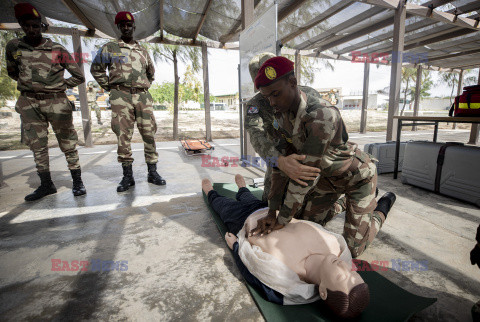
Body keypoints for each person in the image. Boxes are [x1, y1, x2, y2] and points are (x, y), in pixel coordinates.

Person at [251, 56, 396, 258]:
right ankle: (343, 203)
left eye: (276, 94)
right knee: (303, 224)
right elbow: (281, 167)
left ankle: (382, 206)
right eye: (267, 98)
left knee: (352, 250)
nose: (272, 102)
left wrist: (281, 219)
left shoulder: (321, 115)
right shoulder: (282, 115)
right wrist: (272, 211)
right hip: (326, 180)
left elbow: (305, 175)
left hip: (355, 178)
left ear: (292, 83)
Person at [202, 175, 370, 319]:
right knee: (248, 197)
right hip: (269, 210)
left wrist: (237, 247)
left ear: (323, 291)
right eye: (352, 271)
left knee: (221, 204)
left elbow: (253, 274)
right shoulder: (335, 246)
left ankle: (210, 192)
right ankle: (242, 188)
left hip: (242, 221)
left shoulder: (285, 277)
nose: (344, 266)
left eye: (341, 278)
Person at [6, 3, 86, 201]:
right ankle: (46, 184)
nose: (32, 30)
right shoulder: (15, 47)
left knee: (68, 143)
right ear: (21, 26)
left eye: (35, 26)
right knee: (37, 145)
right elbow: (13, 72)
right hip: (30, 103)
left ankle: (77, 181)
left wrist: (58, 85)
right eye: (27, 26)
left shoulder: (57, 48)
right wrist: (32, 87)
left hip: (56, 102)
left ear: (42, 26)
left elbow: (78, 75)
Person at [90, 11, 166, 192]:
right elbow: (96, 69)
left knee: (148, 133)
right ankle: (127, 176)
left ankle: (152, 172)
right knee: (123, 135)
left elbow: (151, 73)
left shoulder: (142, 50)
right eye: (122, 25)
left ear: (134, 27)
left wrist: (142, 86)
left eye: (129, 25)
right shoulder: (110, 48)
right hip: (120, 96)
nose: (126, 27)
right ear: (118, 27)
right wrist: (110, 87)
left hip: (142, 96)